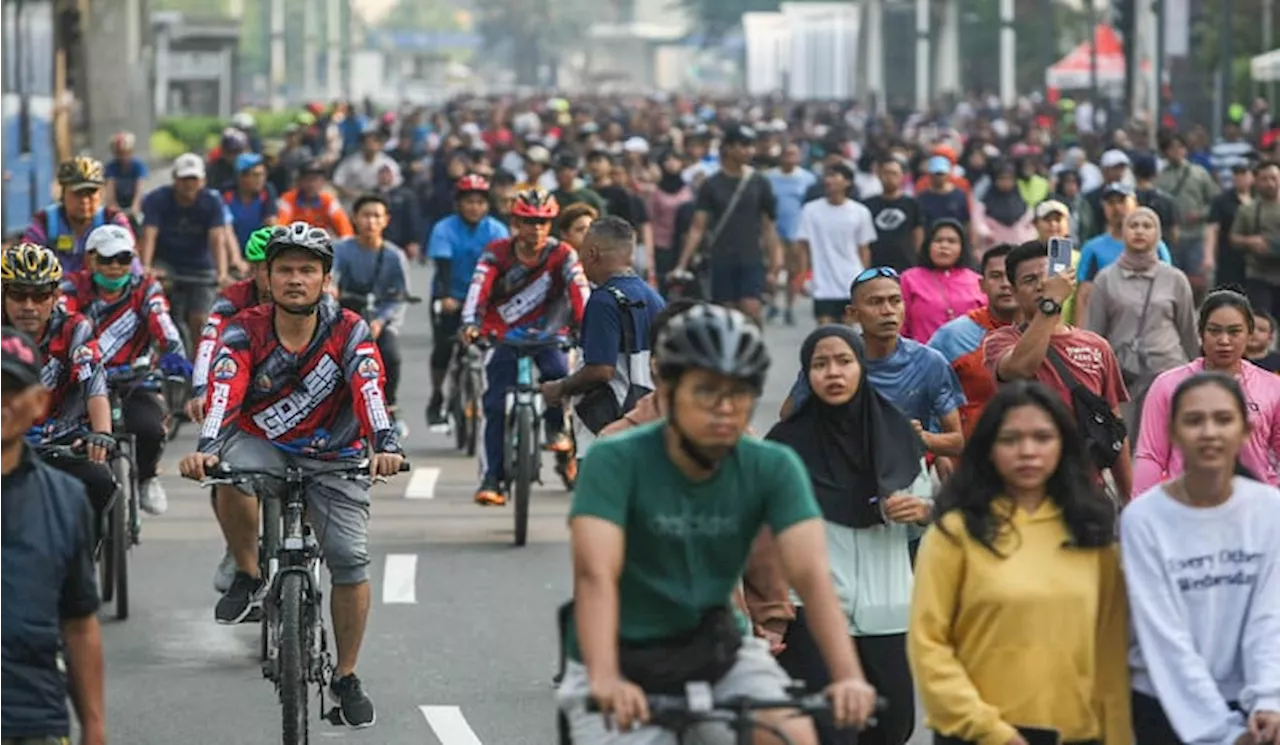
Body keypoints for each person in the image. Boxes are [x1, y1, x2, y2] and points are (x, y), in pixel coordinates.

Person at [556, 305, 879, 744]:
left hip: (719, 648)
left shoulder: (771, 466)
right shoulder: (615, 458)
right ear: (667, 391)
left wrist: (847, 677)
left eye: (740, 392)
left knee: (792, 734)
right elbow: (595, 576)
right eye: (707, 392)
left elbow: (813, 576)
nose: (726, 408)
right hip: (618, 652)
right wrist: (606, 676)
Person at [179, 221, 405, 728]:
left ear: (326, 278)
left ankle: (346, 676)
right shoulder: (244, 330)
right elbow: (223, 393)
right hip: (264, 445)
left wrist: (386, 445)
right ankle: (248, 570)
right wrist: (206, 448)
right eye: (284, 270)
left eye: (308, 270)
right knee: (229, 473)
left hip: (337, 453)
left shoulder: (350, 329)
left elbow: (370, 390)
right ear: (268, 277)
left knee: (350, 559)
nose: (295, 279)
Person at [909, 381, 1130, 745]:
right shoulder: (956, 534)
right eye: (1011, 439)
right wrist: (992, 732)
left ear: (1064, 446)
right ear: (989, 450)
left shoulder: (1091, 531)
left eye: (1042, 438)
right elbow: (929, 646)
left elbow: (1111, 649)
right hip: (979, 733)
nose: (1028, 451)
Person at [765, 325, 928, 745]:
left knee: (893, 728)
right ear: (806, 374)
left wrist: (922, 511)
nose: (833, 373)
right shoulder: (783, 448)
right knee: (828, 731)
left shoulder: (899, 438)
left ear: (861, 367)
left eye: (844, 361)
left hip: (887, 610)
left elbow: (933, 506)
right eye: (820, 364)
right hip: (810, 612)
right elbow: (762, 533)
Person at [1121, 372, 1280, 745]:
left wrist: (1268, 700)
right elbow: (1164, 635)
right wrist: (1221, 733)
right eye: (1194, 420)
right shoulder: (1143, 519)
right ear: (1173, 432)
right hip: (1164, 704)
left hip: (1252, 706)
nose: (1209, 432)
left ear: (1245, 429)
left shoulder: (1270, 510)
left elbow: (1270, 615)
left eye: (1223, 419)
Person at [0, 327, 107, 745]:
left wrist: (94, 726)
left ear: (39, 403)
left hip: (35, 718)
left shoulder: (65, 500)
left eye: (13, 389)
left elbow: (79, 624)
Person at [459, 187, 590, 506]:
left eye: (544, 222)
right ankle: (493, 478)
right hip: (503, 335)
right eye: (529, 222)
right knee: (492, 404)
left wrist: (587, 327)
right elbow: (478, 288)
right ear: (516, 222)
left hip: (551, 334)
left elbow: (579, 291)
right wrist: (470, 322)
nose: (536, 229)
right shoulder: (496, 252)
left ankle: (556, 430)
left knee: (560, 375)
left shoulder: (563, 255)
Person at [984, 240, 1133, 499]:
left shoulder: (1097, 346)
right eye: (1030, 280)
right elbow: (1020, 367)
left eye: (1049, 276)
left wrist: (1129, 497)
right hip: (1028, 491)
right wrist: (1052, 301)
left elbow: (1113, 424)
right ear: (1016, 293)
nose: (1042, 285)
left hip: (1087, 489)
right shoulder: (1001, 342)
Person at [60, 225, 191, 516]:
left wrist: (173, 350)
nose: (116, 267)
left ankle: (147, 477)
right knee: (68, 438)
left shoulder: (145, 287)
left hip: (135, 378)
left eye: (123, 258)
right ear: (91, 259)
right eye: (107, 259)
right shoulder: (71, 288)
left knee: (151, 429)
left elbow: (160, 318)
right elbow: (60, 320)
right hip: (83, 380)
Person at [0, 243, 115, 534]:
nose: (28, 305)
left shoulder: (75, 328)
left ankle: (82, 558)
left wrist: (101, 434)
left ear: (54, 297)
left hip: (63, 439)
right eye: (17, 294)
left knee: (100, 482)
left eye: (39, 295)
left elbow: (94, 383)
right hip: (6, 440)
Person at [1134, 290, 1280, 494]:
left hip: (1253, 510)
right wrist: (1145, 510)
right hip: (1185, 508)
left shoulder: (1272, 387)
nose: (1224, 341)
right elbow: (1151, 455)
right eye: (1214, 331)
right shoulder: (1168, 385)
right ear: (1201, 333)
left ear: (1249, 333)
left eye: (1234, 331)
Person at [541, 217, 664, 460]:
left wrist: (560, 387)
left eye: (582, 252)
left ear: (593, 253)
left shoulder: (603, 301)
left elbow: (601, 370)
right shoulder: (654, 298)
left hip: (606, 430)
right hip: (647, 424)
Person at [1084, 207, 1199, 437]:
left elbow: (1188, 330)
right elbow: (1094, 335)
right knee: (1125, 443)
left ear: (1157, 233)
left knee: (1168, 441)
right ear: (1123, 232)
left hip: (1167, 370)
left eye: (1147, 226)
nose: (1140, 231)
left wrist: (1198, 371)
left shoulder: (1175, 279)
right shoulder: (1106, 279)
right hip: (1123, 377)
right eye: (1133, 225)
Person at [672, 124, 781, 323]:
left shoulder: (760, 182)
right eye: (743, 145)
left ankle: (754, 352)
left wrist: (775, 264)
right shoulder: (711, 184)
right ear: (728, 148)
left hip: (751, 257)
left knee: (752, 308)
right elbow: (698, 227)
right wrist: (682, 264)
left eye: (750, 146)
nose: (749, 150)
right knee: (725, 314)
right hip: (721, 258)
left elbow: (769, 227)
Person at [425, 175, 510, 426]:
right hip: (451, 295)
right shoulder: (444, 228)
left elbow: (503, 270)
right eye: (469, 202)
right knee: (443, 348)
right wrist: (446, 297)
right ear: (459, 204)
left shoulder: (497, 230)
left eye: (480, 202)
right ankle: (437, 395)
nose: (475, 207)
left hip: (486, 299)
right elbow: (442, 269)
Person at [333, 195, 413, 434]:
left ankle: (390, 406)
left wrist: (380, 320)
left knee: (391, 354)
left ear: (385, 220)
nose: (371, 221)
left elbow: (400, 295)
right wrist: (332, 290)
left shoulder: (394, 256)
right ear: (355, 219)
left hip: (381, 316)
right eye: (366, 215)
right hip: (347, 315)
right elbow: (331, 278)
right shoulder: (341, 249)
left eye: (377, 216)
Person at [138, 153, 234, 351]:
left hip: (200, 267)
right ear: (175, 179)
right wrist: (146, 267)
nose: (189, 185)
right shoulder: (157, 199)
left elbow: (217, 238)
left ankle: (199, 362)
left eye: (194, 179)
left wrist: (222, 273)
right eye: (184, 179)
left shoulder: (212, 201)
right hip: (166, 265)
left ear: (203, 180)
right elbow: (149, 235)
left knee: (200, 319)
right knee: (159, 312)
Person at [928, 244, 1020, 436]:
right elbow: (926, 394)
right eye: (996, 276)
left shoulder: (1046, 333)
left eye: (1012, 276)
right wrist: (936, 453)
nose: (1005, 284)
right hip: (968, 454)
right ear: (981, 285)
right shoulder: (952, 336)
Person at [22, 156, 135, 275]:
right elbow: (26, 259)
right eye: (78, 193)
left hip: (100, 291)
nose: (85, 200)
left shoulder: (113, 220)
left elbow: (133, 265)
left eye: (91, 192)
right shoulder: (45, 221)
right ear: (63, 194)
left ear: (101, 194)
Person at [796, 162, 878, 325]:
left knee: (848, 334)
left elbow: (864, 249)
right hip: (823, 285)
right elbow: (803, 247)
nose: (829, 180)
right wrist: (802, 275)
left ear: (847, 182)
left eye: (834, 176)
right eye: (827, 176)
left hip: (850, 280)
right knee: (825, 332)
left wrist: (866, 280)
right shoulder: (810, 210)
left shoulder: (860, 212)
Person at [900, 219, 985, 343]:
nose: (944, 246)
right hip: (921, 357)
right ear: (928, 245)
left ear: (962, 247)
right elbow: (901, 324)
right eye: (938, 240)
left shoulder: (977, 281)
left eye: (952, 241)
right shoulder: (909, 279)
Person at [863, 156, 925, 272]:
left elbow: (918, 235)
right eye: (886, 173)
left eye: (894, 173)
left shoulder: (912, 204)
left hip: (906, 264)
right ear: (879, 175)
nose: (890, 177)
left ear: (902, 176)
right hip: (876, 266)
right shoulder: (867, 205)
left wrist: (919, 261)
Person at [276, 161, 356, 239]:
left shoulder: (329, 201)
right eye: (307, 179)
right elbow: (280, 227)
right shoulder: (288, 199)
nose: (312, 184)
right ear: (299, 181)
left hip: (320, 245)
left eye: (316, 180)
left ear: (323, 182)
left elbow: (345, 230)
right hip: (293, 244)